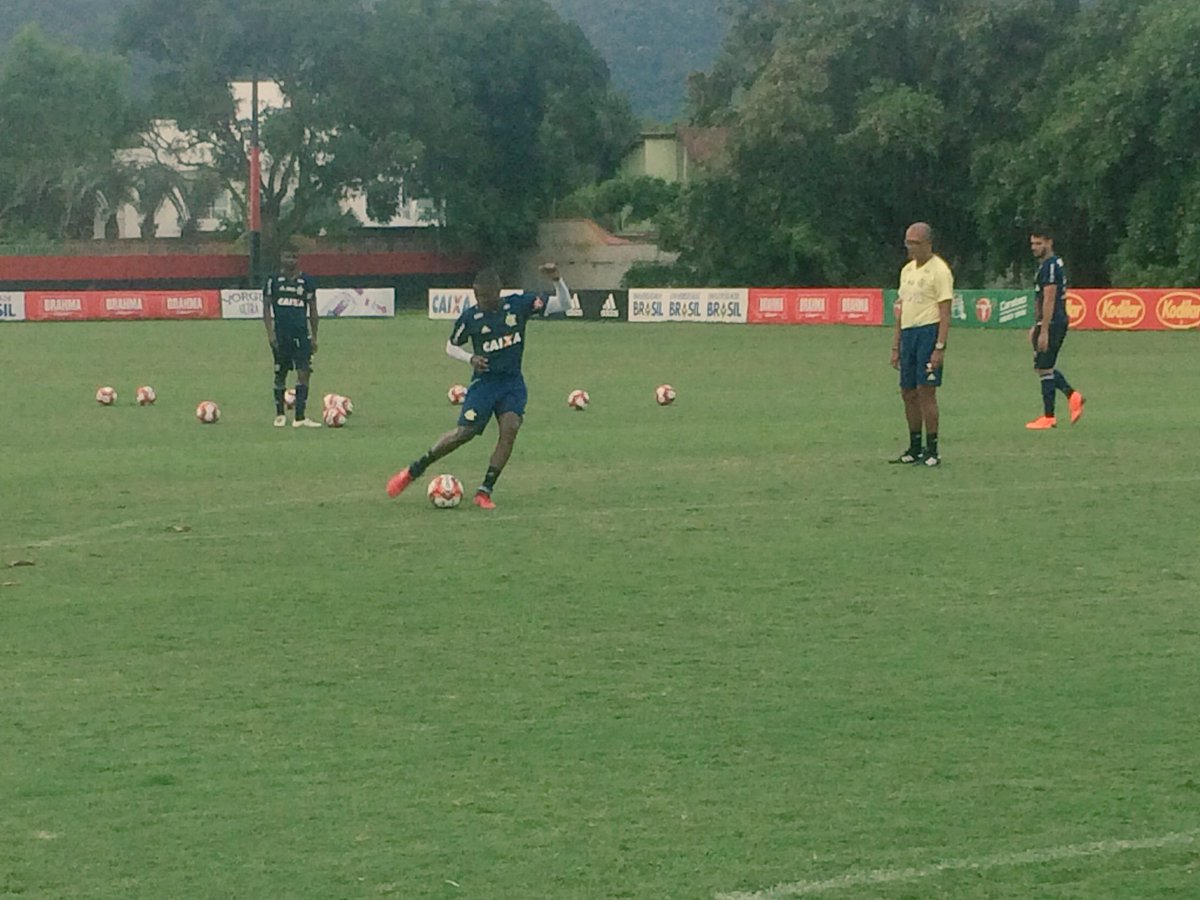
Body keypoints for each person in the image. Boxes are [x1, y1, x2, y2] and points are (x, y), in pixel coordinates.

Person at [386, 263, 571, 508]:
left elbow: (564, 305)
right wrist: (470, 358)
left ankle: (485, 491)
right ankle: (414, 470)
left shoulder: (517, 305)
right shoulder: (471, 317)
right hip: (484, 385)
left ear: (498, 291)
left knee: (510, 428)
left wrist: (557, 280)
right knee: (464, 433)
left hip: (511, 383)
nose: (481, 300)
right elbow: (451, 346)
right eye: (477, 296)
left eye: (485, 296)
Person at [889, 221, 952, 467]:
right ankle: (914, 447)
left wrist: (939, 347)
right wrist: (896, 345)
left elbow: (945, 312)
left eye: (914, 243)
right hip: (908, 333)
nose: (910, 247)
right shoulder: (906, 271)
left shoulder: (940, 270)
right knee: (908, 391)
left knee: (927, 391)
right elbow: (901, 309)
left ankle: (932, 449)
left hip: (928, 332)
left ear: (927, 243)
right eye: (907, 242)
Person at [1025, 228, 1084, 429]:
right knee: (1042, 366)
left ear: (1049, 243)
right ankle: (1072, 396)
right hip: (1049, 322)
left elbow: (1049, 298)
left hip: (1053, 322)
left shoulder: (1050, 266)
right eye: (1032, 244)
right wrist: (1036, 325)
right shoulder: (1048, 265)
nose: (1034, 248)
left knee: (1044, 368)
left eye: (1038, 243)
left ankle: (1049, 417)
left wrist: (1044, 329)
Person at [263, 243, 321, 428]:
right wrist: (270, 334)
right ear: (281, 258)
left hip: (301, 335)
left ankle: (300, 417)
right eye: (287, 257)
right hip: (281, 334)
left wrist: (314, 336)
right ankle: (280, 415)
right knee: (280, 373)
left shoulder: (307, 281)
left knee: (304, 372)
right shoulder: (273, 280)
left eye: (294, 257)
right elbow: (266, 308)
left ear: (298, 258)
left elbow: (313, 310)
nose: (291, 260)